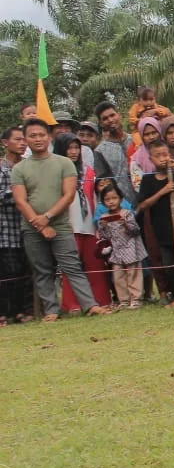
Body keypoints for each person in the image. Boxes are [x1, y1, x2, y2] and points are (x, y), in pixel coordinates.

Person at [12, 120, 111, 320]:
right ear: (26, 139)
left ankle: (90, 305)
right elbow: (20, 201)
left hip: (61, 225)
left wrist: (47, 217)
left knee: (72, 266)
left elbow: (68, 195)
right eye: (32, 135)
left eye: (41, 135)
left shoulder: (64, 163)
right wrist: (40, 224)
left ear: (49, 137)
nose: (38, 139)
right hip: (32, 227)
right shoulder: (19, 168)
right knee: (42, 270)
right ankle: (51, 311)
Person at [53, 134, 112, 310]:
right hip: (68, 224)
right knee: (71, 266)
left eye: (76, 148)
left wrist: (97, 222)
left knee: (95, 263)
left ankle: (102, 301)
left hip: (88, 224)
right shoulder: (56, 172)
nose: (74, 152)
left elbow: (93, 197)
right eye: (69, 148)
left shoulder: (88, 171)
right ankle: (72, 305)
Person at [135, 141, 174, 306]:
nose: (162, 159)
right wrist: (162, 192)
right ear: (151, 159)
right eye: (158, 156)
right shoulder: (148, 180)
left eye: (165, 155)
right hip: (161, 230)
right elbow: (142, 205)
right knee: (168, 264)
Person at [0, 126, 34, 325]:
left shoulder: (28, 166)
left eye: (24, 140)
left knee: (25, 272)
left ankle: (22, 311)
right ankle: (4, 313)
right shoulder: (2, 168)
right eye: (17, 139)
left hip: (28, 227)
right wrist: (21, 195)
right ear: (5, 143)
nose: (22, 143)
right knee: (7, 273)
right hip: (5, 230)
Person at [94, 181, 146, 309]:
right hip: (116, 250)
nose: (111, 202)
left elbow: (136, 231)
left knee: (133, 274)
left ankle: (136, 298)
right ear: (103, 202)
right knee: (118, 276)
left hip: (131, 248)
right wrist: (103, 227)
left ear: (120, 199)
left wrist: (126, 224)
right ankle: (124, 300)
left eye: (114, 198)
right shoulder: (104, 217)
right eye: (107, 199)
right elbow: (105, 237)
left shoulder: (127, 213)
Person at [93, 101, 136, 205]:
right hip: (121, 204)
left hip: (146, 199)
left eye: (112, 115)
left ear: (118, 115)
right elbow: (104, 182)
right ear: (101, 123)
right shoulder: (100, 150)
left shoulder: (135, 140)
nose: (110, 120)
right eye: (105, 118)